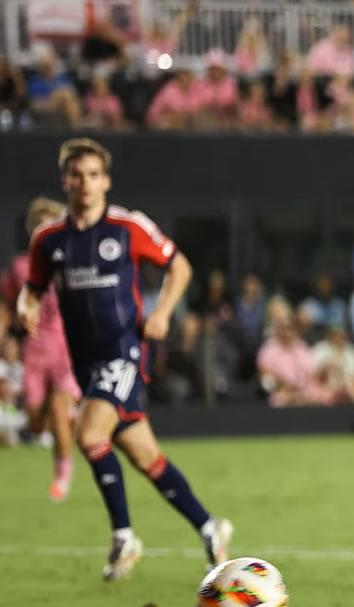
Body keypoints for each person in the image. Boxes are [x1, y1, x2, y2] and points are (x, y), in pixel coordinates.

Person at [16, 138, 233, 581]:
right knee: (144, 455)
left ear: (106, 181)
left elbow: (180, 266)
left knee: (88, 432)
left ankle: (123, 535)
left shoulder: (128, 227)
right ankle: (209, 527)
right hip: (86, 365)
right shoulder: (49, 240)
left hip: (124, 353)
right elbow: (32, 289)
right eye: (77, 175)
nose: (85, 183)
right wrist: (26, 306)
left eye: (93, 175)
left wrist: (163, 312)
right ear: (65, 181)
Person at [0, 198, 80, 501]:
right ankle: (68, 421)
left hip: (66, 352)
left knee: (58, 407)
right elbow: (8, 304)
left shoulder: (73, 263)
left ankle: (62, 477)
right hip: (34, 354)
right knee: (35, 421)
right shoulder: (20, 267)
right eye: (39, 224)